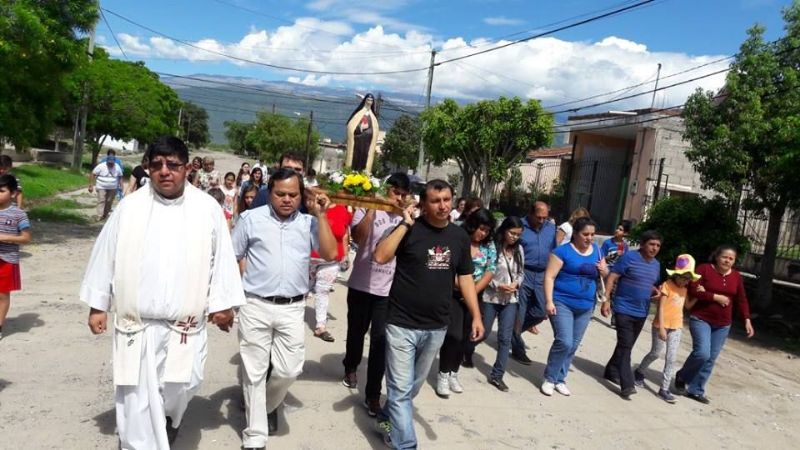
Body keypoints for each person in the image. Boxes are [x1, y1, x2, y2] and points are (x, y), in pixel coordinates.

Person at [80, 136, 246, 449]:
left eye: (172, 165)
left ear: (186, 168)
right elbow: (105, 255)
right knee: (136, 396)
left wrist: (224, 305)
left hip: (186, 324)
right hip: (137, 324)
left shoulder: (206, 208)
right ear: (148, 169)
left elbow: (223, 258)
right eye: (157, 165)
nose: (164, 171)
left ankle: (171, 416)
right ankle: (140, 442)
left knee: (184, 383)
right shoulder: (130, 207)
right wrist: (97, 305)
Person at [372, 179, 484, 449]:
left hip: (436, 326)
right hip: (401, 323)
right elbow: (380, 256)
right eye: (435, 200)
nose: (443, 205)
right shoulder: (409, 230)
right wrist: (405, 223)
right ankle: (406, 445)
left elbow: (466, 278)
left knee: (412, 388)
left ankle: (386, 417)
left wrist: (476, 315)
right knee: (400, 391)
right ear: (423, 204)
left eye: (446, 199)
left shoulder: (458, 237)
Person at [232, 167, 337, 449]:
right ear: (270, 193)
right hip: (255, 304)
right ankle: (255, 436)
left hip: (292, 308)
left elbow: (330, 253)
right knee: (254, 372)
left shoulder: (308, 223)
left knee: (289, 370)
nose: (287, 199)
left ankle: (265, 406)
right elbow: (232, 256)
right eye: (280, 194)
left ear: (302, 195)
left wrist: (322, 215)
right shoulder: (250, 219)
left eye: (293, 194)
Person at [341, 173, 411, 417]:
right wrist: (372, 206)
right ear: (387, 191)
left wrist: (406, 217)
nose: (399, 198)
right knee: (356, 333)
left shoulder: (406, 218)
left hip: (388, 291)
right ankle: (350, 365)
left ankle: (372, 395)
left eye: (404, 195)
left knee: (381, 341)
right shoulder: (367, 209)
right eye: (395, 193)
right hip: (361, 285)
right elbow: (359, 238)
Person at [675, 245, 755, 404]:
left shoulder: (736, 276)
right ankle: (682, 376)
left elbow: (741, 299)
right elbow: (693, 289)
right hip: (701, 318)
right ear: (717, 256)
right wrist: (714, 297)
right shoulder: (704, 269)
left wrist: (747, 318)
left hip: (723, 324)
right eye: (725, 257)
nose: (727, 260)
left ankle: (696, 390)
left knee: (711, 358)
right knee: (702, 353)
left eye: (731, 258)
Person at [540, 217, 607, 397]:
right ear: (575, 234)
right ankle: (550, 378)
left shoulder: (598, 252)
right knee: (564, 341)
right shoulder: (562, 252)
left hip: (586, 305)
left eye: (592, 234)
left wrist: (604, 270)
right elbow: (549, 277)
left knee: (573, 345)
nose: (589, 238)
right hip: (562, 302)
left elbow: (605, 275)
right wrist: (549, 301)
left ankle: (560, 379)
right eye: (585, 234)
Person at [437, 208, 495, 397]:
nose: (483, 233)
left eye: (487, 230)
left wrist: (472, 291)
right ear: (472, 225)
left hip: (474, 295)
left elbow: (490, 270)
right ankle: (443, 374)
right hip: (453, 293)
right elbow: (446, 265)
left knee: (465, 337)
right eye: (481, 229)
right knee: (452, 336)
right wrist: (462, 288)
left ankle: (454, 372)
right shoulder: (458, 239)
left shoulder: (489, 246)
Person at [601, 230, 663, 400]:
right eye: (651, 244)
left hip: (642, 311)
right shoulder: (629, 258)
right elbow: (612, 277)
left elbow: (649, 284)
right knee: (626, 345)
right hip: (623, 308)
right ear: (643, 244)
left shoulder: (656, 265)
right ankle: (626, 384)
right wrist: (606, 300)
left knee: (625, 345)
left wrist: (655, 292)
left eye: (658, 245)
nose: (654, 248)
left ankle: (611, 370)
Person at [466, 216, 524, 392]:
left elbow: (521, 272)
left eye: (518, 234)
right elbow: (486, 271)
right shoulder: (493, 247)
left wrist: (516, 284)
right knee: (483, 332)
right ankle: (466, 350)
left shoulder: (519, 250)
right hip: (491, 297)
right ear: (504, 230)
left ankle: (497, 375)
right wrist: (498, 285)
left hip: (510, 300)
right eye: (512, 233)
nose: (514, 237)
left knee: (505, 338)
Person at [634, 254, 701, 403]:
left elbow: (688, 306)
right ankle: (639, 371)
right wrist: (662, 328)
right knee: (656, 353)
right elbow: (661, 308)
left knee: (671, 358)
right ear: (676, 274)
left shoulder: (684, 289)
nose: (685, 281)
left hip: (676, 327)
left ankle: (663, 389)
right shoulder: (666, 286)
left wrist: (699, 295)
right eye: (683, 277)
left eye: (688, 278)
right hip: (661, 326)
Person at [511, 201, 556, 364]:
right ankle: (517, 349)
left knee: (541, 311)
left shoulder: (551, 229)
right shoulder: (519, 226)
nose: (542, 220)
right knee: (520, 312)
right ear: (530, 213)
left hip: (543, 275)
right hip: (524, 272)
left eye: (545, 217)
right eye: (538, 217)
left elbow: (554, 251)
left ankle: (511, 333)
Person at [308, 202, 352, 342]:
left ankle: (320, 326)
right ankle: (290, 321)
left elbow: (344, 234)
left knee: (323, 291)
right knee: (302, 291)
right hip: (309, 259)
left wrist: (345, 255)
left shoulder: (342, 209)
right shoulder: (312, 205)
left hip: (332, 260)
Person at [0, 174, 31, 340]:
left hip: (7, 260)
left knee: (3, 294)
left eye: (1, 191)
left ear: (12, 194)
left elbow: (26, 238)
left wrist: (4, 237)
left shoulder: (19, 214)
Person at [600, 220, 631, 328]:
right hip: (608, 271)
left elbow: (626, 261)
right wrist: (613, 255)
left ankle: (614, 319)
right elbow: (601, 258)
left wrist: (622, 257)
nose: (617, 230)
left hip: (619, 273)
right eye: (617, 228)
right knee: (609, 293)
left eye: (621, 229)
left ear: (625, 234)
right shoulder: (608, 243)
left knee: (616, 295)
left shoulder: (625, 246)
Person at [345, 93, 380, 173]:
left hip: (367, 143)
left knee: (364, 158)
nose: (369, 102)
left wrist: (368, 131)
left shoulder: (372, 116)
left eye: (371, 100)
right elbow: (351, 126)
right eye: (368, 100)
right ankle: (352, 171)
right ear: (365, 100)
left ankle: (362, 172)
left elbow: (374, 131)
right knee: (355, 157)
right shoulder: (359, 113)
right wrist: (360, 128)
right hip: (357, 142)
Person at [89, 156, 123, 221]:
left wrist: (121, 186)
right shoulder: (101, 166)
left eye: (112, 163)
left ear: (114, 162)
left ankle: (105, 214)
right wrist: (91, 185)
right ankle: (100, 215)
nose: (111, 164)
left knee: (109, 201)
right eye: (109, 163)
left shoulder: (117, 167)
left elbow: (120, 177)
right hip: (101, 186)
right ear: (106, 162)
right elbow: (93, 174)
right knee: (101, 200)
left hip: (113, 187)